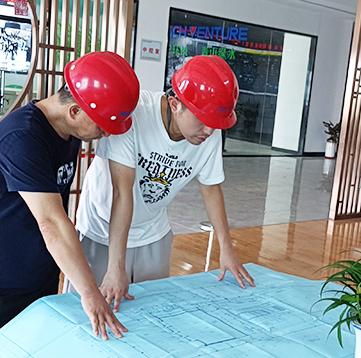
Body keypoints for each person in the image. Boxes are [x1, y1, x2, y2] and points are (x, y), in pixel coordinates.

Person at [0, 52, 139, 358]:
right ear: (75, 111)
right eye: (102, 125)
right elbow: (51, 220)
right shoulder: (21, 137)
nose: (105, 133)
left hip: (35, 276)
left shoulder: (69, 130)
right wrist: (90, 293)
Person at [68, 55, 255, 311]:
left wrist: (227, 248)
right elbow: (122, 193)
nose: (210, 131)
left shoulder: (209, 130)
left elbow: (211, 188)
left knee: (151, 315)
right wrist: (115, 267)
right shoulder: (135, 115)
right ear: (175, 104)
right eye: (202, 121)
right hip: (101, 231)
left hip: (152, 233)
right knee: (89, 313)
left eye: (215, 124)